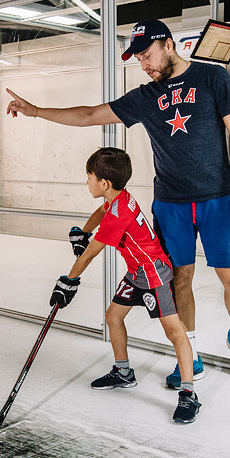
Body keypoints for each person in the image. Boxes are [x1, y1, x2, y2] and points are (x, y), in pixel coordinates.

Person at [7, 18, 230, 383]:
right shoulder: (145, 97)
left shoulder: (212, 77)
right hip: (171, 203)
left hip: (219, 198)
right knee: (179, 280)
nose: (144, 64)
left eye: (147, 55)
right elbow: (91, 115)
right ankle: (189, 354)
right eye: (138, 59)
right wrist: (37, 111)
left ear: (168, 45)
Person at [50, 147, 201, 423]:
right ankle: (123, 373)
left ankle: (189, 394)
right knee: (113, 316)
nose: (87, 182)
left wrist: (68, 282)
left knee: (174, 331)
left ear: (103, 183)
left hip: (154, 275)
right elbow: (99, 212)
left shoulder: (117, 215)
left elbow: (90, 254)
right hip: (136, 272)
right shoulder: (116, 199)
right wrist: (83, 231)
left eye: (89, 177)